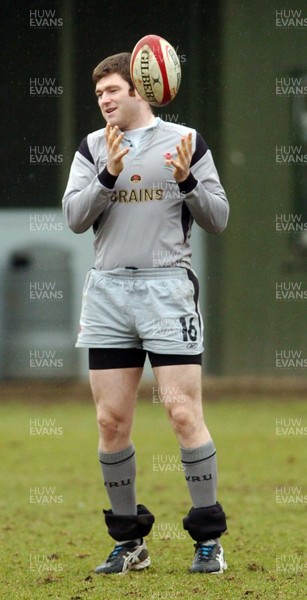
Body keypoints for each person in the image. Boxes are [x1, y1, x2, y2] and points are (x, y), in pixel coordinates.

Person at [62, 51, 229, 575]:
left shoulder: (187, 141)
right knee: (111, 422)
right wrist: (108, 175)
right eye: (99, 95)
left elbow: (218, 218)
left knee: (182, 413)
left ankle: (208, 540)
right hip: (109, 294)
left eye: (112, 90)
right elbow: (72, 217)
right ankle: (129, 541)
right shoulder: (92, 148)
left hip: (166, 293)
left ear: (141, 87)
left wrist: (186, 182)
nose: (105, 101)